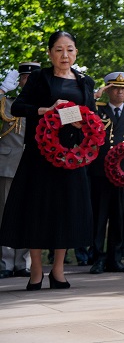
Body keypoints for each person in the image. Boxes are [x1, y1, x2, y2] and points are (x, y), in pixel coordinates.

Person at [0, 31, 95, 290]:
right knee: (37, 211)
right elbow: (18, 107)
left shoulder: (85, 81)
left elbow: (92, 116)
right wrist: (47, 110)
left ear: (76, 52)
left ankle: (59, 270)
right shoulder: (40, 78)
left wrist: (78, 120)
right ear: (50, 52)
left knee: (65, 211)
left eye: (70, 49)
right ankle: (36, 270)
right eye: (59, 49)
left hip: (70, 155)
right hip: (39, 156)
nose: (65, 55)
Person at [89, 71, 124, 274]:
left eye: (123, 89)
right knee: (99, 216)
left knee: (119, 217)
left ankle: (115, 258)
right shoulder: (98, 110)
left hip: (123, 174)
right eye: (115, 88)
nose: (120, 92)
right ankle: (97, 258)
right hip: (100, 172)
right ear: (109, 90)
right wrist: (96, 95)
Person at [0, 62, 40, 278]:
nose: (28, 83)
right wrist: (2, 90)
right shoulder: (7, 103)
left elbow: (75, 117)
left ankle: (21, 263)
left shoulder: (47, 104)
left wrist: (78, 86)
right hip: (8, 165)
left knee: (28, 214)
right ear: (20, 81)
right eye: (25, 79)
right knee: (5, 214)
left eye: (33, 79)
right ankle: (5, 262)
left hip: (34, 166)